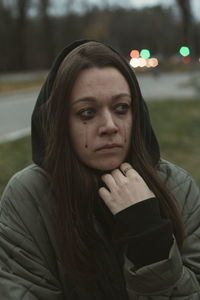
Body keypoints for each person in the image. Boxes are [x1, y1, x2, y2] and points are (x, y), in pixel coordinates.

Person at [0, 40, 200, 300]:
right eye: (87, 112)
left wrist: (150, 241)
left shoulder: (177, 188)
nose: (109, 125)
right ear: (60, 122)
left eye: (121, 108)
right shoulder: (28, 198)